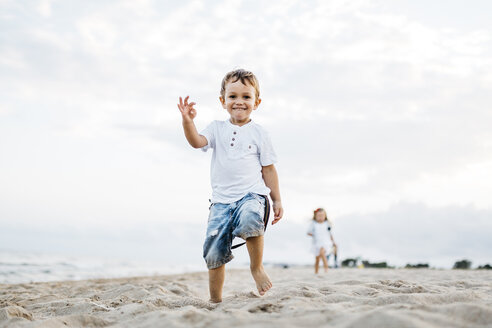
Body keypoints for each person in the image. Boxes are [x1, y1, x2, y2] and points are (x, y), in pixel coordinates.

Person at [177, 69, 283, 303]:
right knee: (214, 250)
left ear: (257, 102)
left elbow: (268, 169)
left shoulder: (260, 133)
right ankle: (215, 300)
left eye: (246, 97)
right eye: (233, 96)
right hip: (221, 202)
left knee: (250, 218)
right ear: (222, 100)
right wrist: (188, 121)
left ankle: (256, 268)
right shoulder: (216, 128)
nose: (239, 102)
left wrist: (276, 200)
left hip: (251, 195)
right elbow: (197, 142)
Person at [307, 208, 337, 273]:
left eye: (322, 216)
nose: (320, 217)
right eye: (319, 216)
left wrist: (333, 242)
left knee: (322, 253)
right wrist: (313, 234)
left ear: (325, 216)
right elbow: (308, 232)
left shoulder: (327, 224)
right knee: (317, 258)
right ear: (315, 216)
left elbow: (330, 234)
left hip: (326, 242)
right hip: (316, 243)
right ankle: (316, 272)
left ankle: (326, 269)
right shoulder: (313, 224)